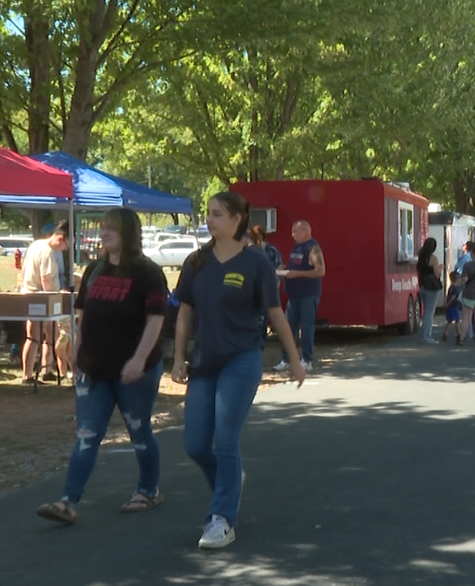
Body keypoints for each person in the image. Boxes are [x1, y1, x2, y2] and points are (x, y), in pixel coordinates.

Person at [173, 191, 305, 550]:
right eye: (208, 214)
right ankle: (230, 483)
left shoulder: (256, 262)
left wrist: (294, 358)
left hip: (242, 359)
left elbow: (275, 313)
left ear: (236, 220)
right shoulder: (196, 262)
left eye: (217, 214)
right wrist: (178, 358)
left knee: (226, 439)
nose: (210, 220)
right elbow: (184, 312)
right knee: (197, 445)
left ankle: (222, 520)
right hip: (204, 361)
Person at [35, 209, 169, 525]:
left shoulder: (147, 272)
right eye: (103, 228)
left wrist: (138, 361)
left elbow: (155, 320)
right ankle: (67, 502)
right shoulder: (94, 270)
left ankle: (149, 490)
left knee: (139, 431)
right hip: (94, 371)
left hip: (135, 370)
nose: (105, 233)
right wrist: (77, 358)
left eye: (112, 228)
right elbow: (83, 319)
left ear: (128, 233)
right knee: (86, 435)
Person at [20, 220, 70, 382]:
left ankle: (46, 370)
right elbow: (46, 279)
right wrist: (55, 296)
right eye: (66, 246)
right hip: (40, 299)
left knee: (47, 335)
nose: (65, 249)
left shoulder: (35, 245)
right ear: (60, 238)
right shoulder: (47, 252)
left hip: (29, 295)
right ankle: (28, 375)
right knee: (36, 337)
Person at [274, 220, 324, 372]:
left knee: (307, 326)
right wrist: (285, 268)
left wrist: (297, 274)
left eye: (296, 231)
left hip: (308, 293)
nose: (292, 234)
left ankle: (307, 360)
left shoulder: (313, 248)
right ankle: (287, 359)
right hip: (293, 293)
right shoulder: (297, 247)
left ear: (305, 232)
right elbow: (297, 264)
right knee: (288, 326)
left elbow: (320, 270)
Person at [417, 237, 442, 345]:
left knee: (426, 311)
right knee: (429, 313)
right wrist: (440, 268)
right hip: (432, 288)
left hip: (423, 286)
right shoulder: (433, 259)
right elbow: (437, 275)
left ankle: (425, 333)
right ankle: (426, 336)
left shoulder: (421, 257)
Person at [443, 272, 463, 344]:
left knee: (449, 321)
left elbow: (448, 296)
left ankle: (446, 333)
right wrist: (448, 303)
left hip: (451, 306)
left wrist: (446, 303)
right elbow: (453, 297)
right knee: (457, 320)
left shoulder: (451, 287)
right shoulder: (455, 288)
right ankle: (459, 334)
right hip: (453, 306)